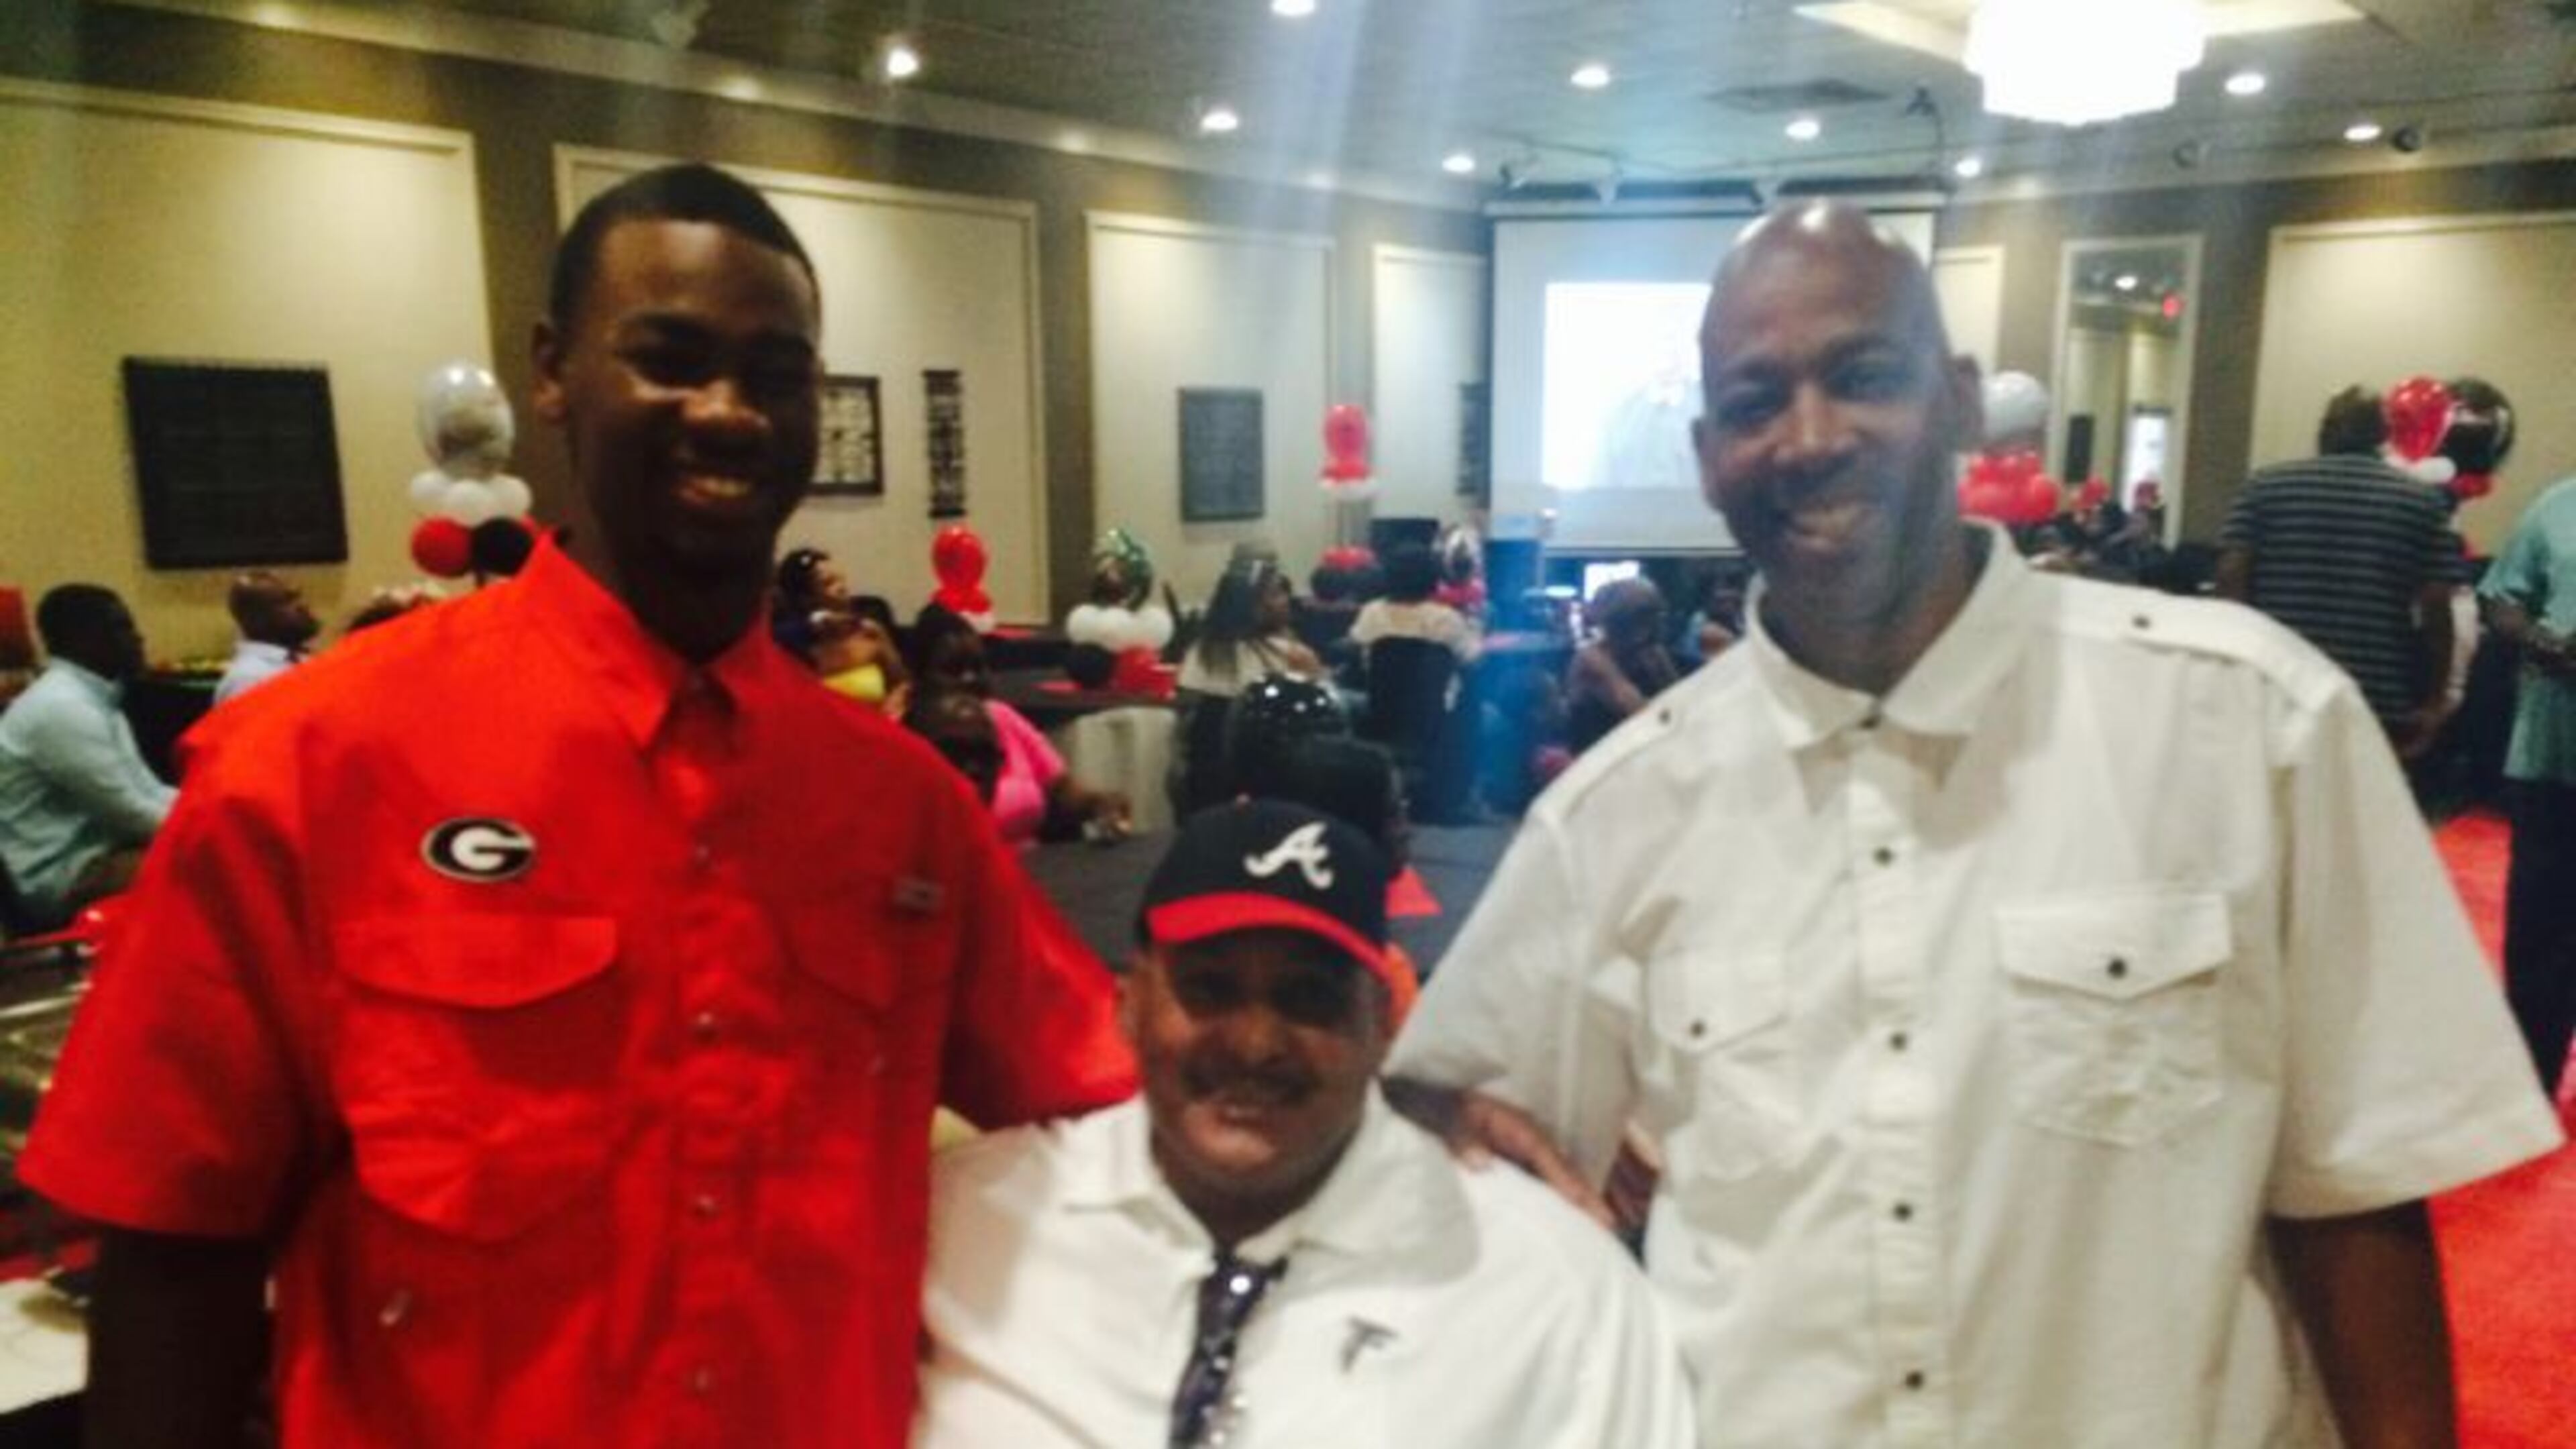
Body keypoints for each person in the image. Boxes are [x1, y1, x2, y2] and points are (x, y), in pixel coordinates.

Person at [1387, 202, 2561, 1448]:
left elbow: (2355, 1192)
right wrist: (1424, 1125)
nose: (1809, 436)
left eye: (1864, 377)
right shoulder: (1619, 813)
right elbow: (1437, 1134)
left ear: (1955, 401)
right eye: (1753, 402)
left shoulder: (2244, 725)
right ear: (1704, 451)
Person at [19, 162, 1135, 1449]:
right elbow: (175, 1259)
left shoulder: (899, 813)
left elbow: (1099, 1105)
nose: (726, 413)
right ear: (552, 372)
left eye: (775, 377)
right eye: (668, 358)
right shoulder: (317, 762)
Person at [916, 800, 1695, 1449]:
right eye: (1210, 990)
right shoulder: (968, 1223)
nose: (1256, 1044)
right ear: (1130, 1004)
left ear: (1384, 1023)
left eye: (1309, 999)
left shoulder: (1552, 1290)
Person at [2217, 385, 2456, 755]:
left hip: (2280, 687)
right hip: (2377, 694)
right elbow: (2436, 609)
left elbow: (2232, 578)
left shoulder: (2264, 488)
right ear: (2383, 437)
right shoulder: (2421, 502)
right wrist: (2433, 699)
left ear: (2324, 431)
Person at [2479, 476, 2576, 1097]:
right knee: (2539, 922)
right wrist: (2544, 639)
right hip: (2551, 752)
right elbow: (2501, 600)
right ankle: (2528, 1079)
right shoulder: (2558, 504)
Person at [0, 584, 174, 922]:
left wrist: (211, 808)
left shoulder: (95, 699)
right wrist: (215, 828)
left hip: (99, 855)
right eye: (123, 628)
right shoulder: (62, 708)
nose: (139, 639)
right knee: (212, 863)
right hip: (63, 876)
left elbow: (149, 790)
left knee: (226, 851)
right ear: (84, 639)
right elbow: (130, 815)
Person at [910, 602, 1130, 846]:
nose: (970, 679)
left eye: (978, 667)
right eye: (954, 670)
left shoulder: (1002, 716)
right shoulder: (908, 736)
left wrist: (1099, 804)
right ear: (919, 676)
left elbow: (1062, 788)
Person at [1563, 576, 1679, 753]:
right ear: (1620, 620)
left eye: (1660, 612)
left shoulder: (1651, 654)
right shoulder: (1592, 659)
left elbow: (1679, 702)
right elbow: (1642, 717)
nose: (1658, 622)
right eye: (1647, 614)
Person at [1177, 557, 1323, 698]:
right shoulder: (1294, 657)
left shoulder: (1197, 653)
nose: (1286, 600)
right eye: (1276, 594)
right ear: (1249, 607)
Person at [1350, 544, 1480, 665]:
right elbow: (1472, 659)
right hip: (1437, 689)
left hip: (1379, 689)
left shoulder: (1372, 612)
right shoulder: (1447, 618)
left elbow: (1356, 644)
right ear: (1433, 578)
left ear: (1388, 577)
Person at [212, 570, 321, 704]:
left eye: (299, 597)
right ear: (257, 619)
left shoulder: (300, 659)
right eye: (288, 601)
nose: (303, 606)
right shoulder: (248, 680)